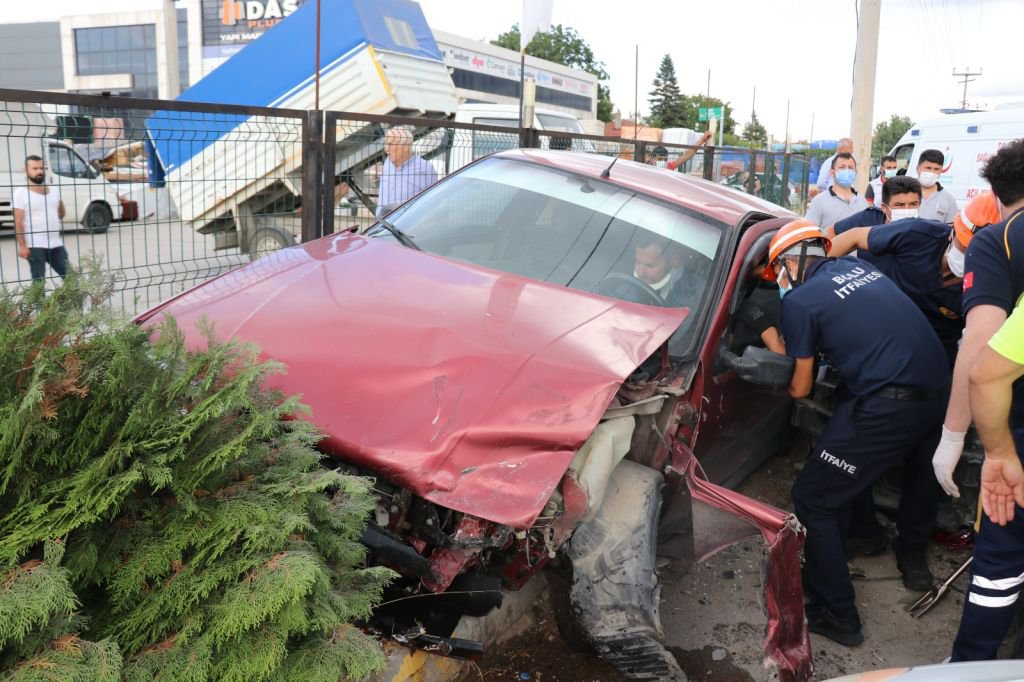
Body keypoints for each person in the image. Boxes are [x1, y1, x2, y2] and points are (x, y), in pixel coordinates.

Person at [767, 219, 949, 646]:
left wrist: (774, 351)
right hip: (936, 393)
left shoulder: (801, 302)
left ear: (794, 261)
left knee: (813, 498)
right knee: (847, 463)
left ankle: (839, 615)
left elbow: (800, 387)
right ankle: (865, 536)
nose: (778, 280)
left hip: (889, 407)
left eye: (777, 270)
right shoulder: (862, 270)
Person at [942, 139, 1024, 662]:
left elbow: (981, 352)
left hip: (1017, 432)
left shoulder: (1002, 238)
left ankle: (971, 665)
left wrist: (957, 438)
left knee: (1001, 553)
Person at [13, 155, 68, 283]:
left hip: (55, 243)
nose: (39, 171)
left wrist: (59, 198)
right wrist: (22, 246)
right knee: (39, 282)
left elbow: (61, 215)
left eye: (41, 168)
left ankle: (67, 302)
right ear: (26, 170)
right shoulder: (20, 193)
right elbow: (18, 221)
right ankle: (39, 304)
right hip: (34, 245)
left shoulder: (53, 189)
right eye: (35, 168)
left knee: (71, 277)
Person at [827, 175, 923, 240]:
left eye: (913, 204)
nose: (907, 210)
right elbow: (832, 232)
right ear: (884, 208)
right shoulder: (868, 219)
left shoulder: (925, 231)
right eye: (899, 205)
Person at [377, 125, 438, 218]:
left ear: (405, 146)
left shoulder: (425, 168)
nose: (386, 149)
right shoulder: (387, 163)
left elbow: (431, 202)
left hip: (403, 228)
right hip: (380, 224)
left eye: (390, 144)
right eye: (385, 144)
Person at [805, 153, 869, 230]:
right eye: (842, 167)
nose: (847, 171)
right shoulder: (819, 201)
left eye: (850, 167)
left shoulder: (862, 201)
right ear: (832, 173)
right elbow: (810, 233)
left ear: (855, 173)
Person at [914, 149, 958, 225]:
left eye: (936, 169)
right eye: (928, 168)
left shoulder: (949, 199)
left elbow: (950, 229)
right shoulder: (904, 192)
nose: (931, 172)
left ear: (941, 171)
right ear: (918, 169)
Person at [649, 131, 713, 171]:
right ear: (652, 158)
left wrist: (703, 139)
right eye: (660, 159)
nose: (663, 162)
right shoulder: (646, 168)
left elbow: (687, 155)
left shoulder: (669, 166)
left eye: (665, 159)